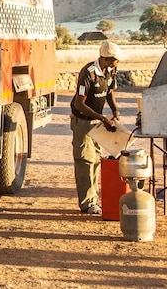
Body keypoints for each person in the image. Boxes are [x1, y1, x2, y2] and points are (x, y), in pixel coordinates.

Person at [70, 40, 123, 215]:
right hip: (84, 121)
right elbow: (79, 103)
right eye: (116, 60)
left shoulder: (111, 71)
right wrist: (102, 117)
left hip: (97, 122)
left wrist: (114, 111)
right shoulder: (89, 73)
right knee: (85, 161)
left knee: (96, 160)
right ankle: (87, 203)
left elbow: (109, 92)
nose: (118, 63)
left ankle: (94, 199)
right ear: (107, 59)